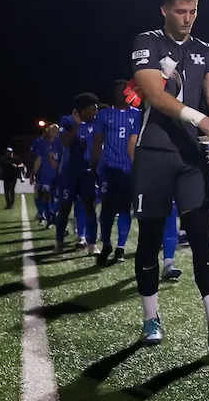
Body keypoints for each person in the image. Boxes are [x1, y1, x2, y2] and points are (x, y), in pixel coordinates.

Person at [128, 0, 209, 349]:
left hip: (192, 158)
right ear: (164, 10)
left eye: (193, 11)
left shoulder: (207, 51)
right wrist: (202, 121)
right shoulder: (147, 42)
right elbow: (154, 95)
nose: (187, 18)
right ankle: (151, 319)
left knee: (202, 238)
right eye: (180, 11)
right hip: (153, 154)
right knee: (149, 239)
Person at [91, 80, 141, 266]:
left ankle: (120, 248)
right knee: (107, 209)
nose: (122, 93)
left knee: (125, 209)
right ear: (114, 93)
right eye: (119, 90)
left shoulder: (138, 114)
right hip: (110, 168)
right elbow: (97, 141)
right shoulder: (104, 114)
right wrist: (95, 165)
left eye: (125, 90)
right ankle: (106, 244)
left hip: (130, 169)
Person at [53, 93, 100, 254]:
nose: (95, 111)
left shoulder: (97, 123)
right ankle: (59, 241)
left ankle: (92, 243)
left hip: (87, 172)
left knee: (90, 208)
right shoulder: (67, 121)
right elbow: (65, 142)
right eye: (92, 108)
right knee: (65, 208)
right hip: (69, 173)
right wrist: (77, 125)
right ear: (82, 110)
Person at [31, 124, 60, 226]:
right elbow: (37, 159)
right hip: (45, 176)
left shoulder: (60, 142)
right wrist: (33, 173)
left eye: (56, 131)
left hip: (58, 176)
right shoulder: (41, 142)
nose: (54, 133)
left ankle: (52, 217)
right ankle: (46, 217)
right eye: (52, 131)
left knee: (55, 199)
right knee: (44, 198)